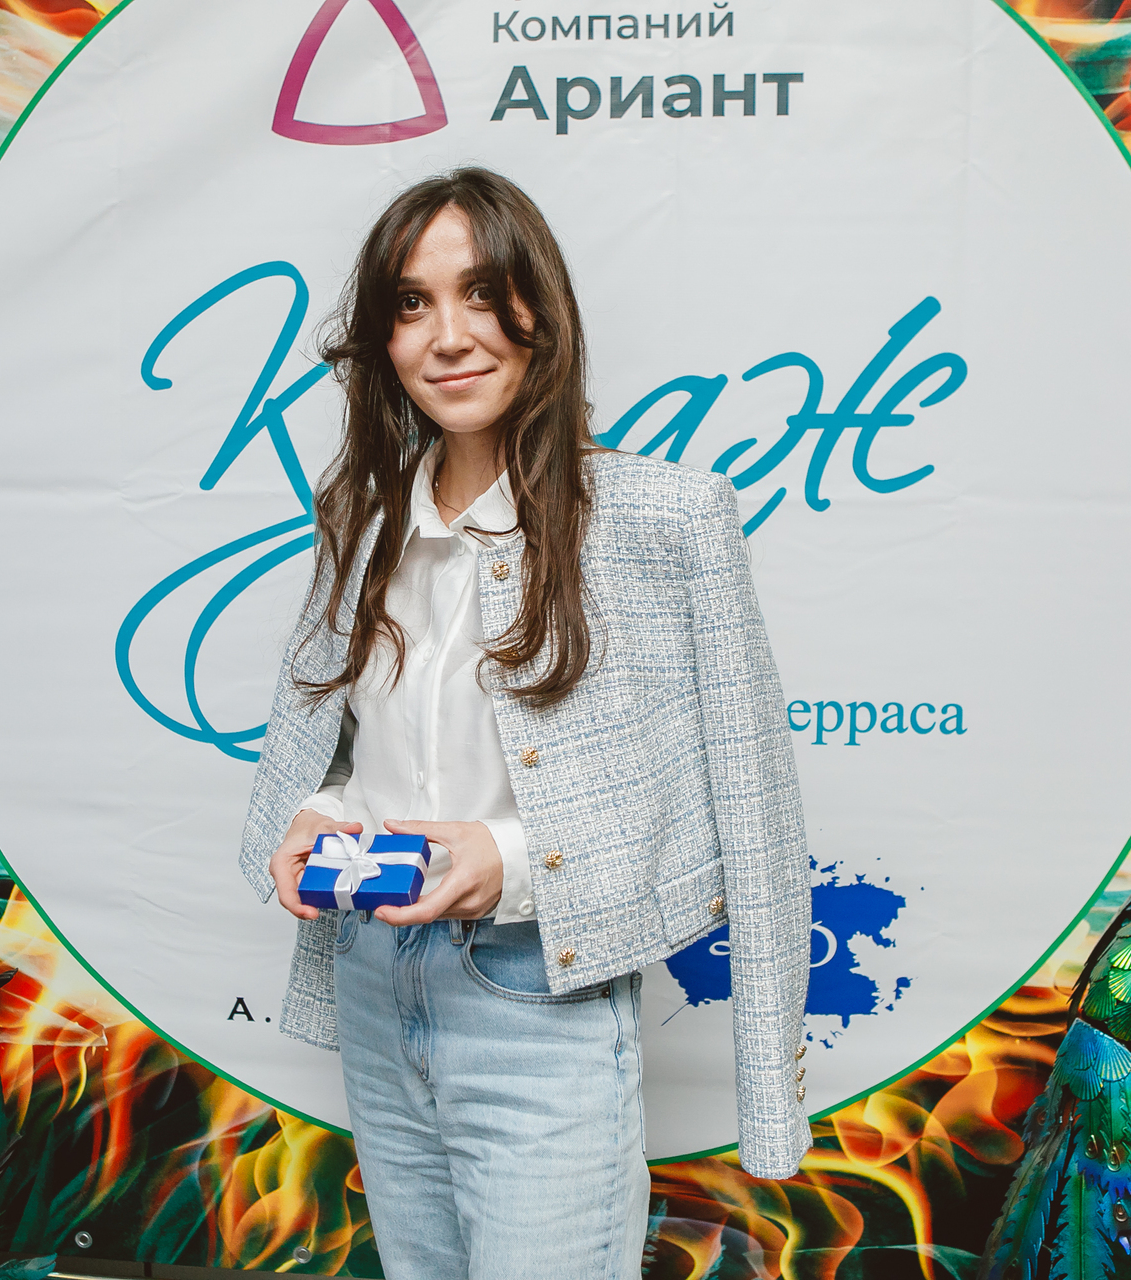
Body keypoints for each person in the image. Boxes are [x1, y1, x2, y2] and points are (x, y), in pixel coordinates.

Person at [237, 167, 810, 1279]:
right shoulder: (362, 515)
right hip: (372, 974)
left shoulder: (664, 517)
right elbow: (349, 743)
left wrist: (506, 858)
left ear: (540, 310)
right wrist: (320, 812)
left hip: (538, 998)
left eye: (482, 293)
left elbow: (751, 804)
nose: (448, 337)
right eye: (412, 304)